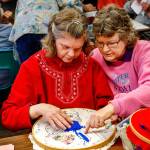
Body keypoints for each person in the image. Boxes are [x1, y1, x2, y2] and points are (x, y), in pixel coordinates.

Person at [1, 8, 113, 131]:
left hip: (87, 138)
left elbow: (106, 103)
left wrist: (105, 114)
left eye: (77, 48)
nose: (71, 54)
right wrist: (39, 109)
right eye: (65, 47)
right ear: (53, 40)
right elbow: (8, 116)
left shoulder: (92, 66)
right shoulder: (31, 67)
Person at [85, 4, 150, 133]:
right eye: (100, 42)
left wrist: (112, 108)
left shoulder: (144, 50)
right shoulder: (95, 56)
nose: (105, 49)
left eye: (112, 43)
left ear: (127, 36)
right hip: (113, 126)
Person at [9, 0, 83, 63]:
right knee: (51, 68)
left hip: (22, 29)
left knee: (29, 70)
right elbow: (71, 3)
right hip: (45, 26)